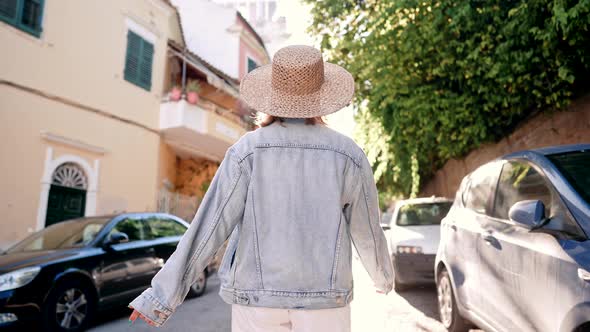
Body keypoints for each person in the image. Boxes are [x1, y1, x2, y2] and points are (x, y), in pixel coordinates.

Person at [129, 45, 393, 331]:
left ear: (271, 98)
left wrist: (160, 298)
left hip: (255, 300)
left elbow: (209, 227)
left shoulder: (246, 151)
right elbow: (367, 229)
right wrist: (382, 277)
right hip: (325, 301)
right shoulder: (348, 154)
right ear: (321, 99)